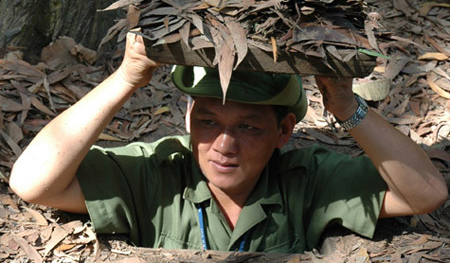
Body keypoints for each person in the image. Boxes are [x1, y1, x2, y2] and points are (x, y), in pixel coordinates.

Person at [10, 33, 447, 253]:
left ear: (284, 131)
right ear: (187, 119)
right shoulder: (157, 172)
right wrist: (127, 78)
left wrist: (346, 105)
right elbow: (33, 182)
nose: (223, 144)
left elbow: (426, 193)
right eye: (208, 121)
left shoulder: (306, 179)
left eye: (249, 127)